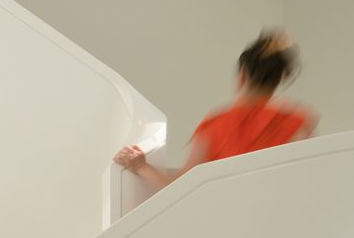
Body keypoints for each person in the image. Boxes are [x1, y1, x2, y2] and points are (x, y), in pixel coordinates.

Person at [114, 29, 318, 191]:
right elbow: (305, 179)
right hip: (281, 221)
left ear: (242, 75)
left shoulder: (216, 126)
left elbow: (181, 188)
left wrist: (141, 166)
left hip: (230, 223)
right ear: (277, 80)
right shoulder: (299, 123)